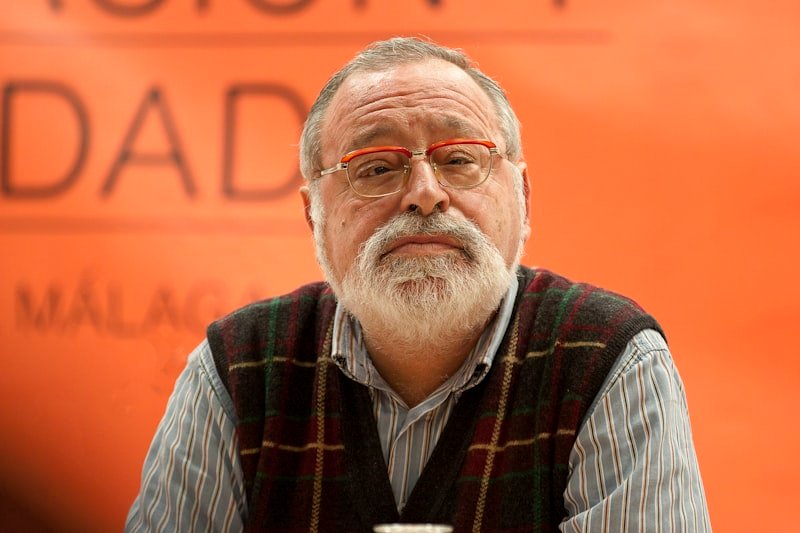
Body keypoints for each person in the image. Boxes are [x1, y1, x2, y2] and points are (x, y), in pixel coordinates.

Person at [126, 37, 710, 532]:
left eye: (459, 158)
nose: (425, 193)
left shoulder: (607, 361)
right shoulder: (238, 369)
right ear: (315, 217)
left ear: (523, 199)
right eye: (377, 168)